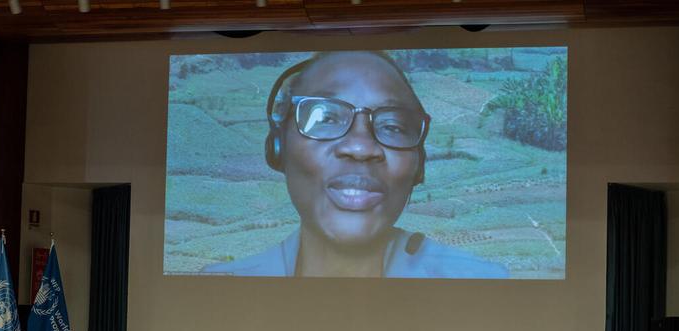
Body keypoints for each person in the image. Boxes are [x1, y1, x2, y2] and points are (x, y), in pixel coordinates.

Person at [203, 50, 508, 278]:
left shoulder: (487, 280)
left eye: (393, 126)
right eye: (325, 118)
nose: (361, 147)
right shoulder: (217, 286)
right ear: (278, 146)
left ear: (418, 165)